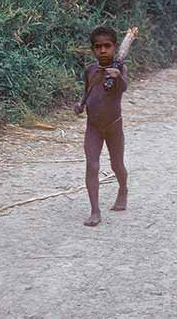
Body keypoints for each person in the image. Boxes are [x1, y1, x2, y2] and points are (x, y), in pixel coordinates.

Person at [74, 26, 130, 227]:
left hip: (114, 126)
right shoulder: (90, 70)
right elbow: (87, 91)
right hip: (93, 127)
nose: (103, 50)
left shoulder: (120, 69)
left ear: (115, 47)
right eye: (98, 47)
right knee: (92, 165)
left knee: (117, 165)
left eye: (107, 46)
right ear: (93, 50)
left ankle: (123, 189)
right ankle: (95, 210)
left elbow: (123, 88)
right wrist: (80, 105)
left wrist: (118, 77)